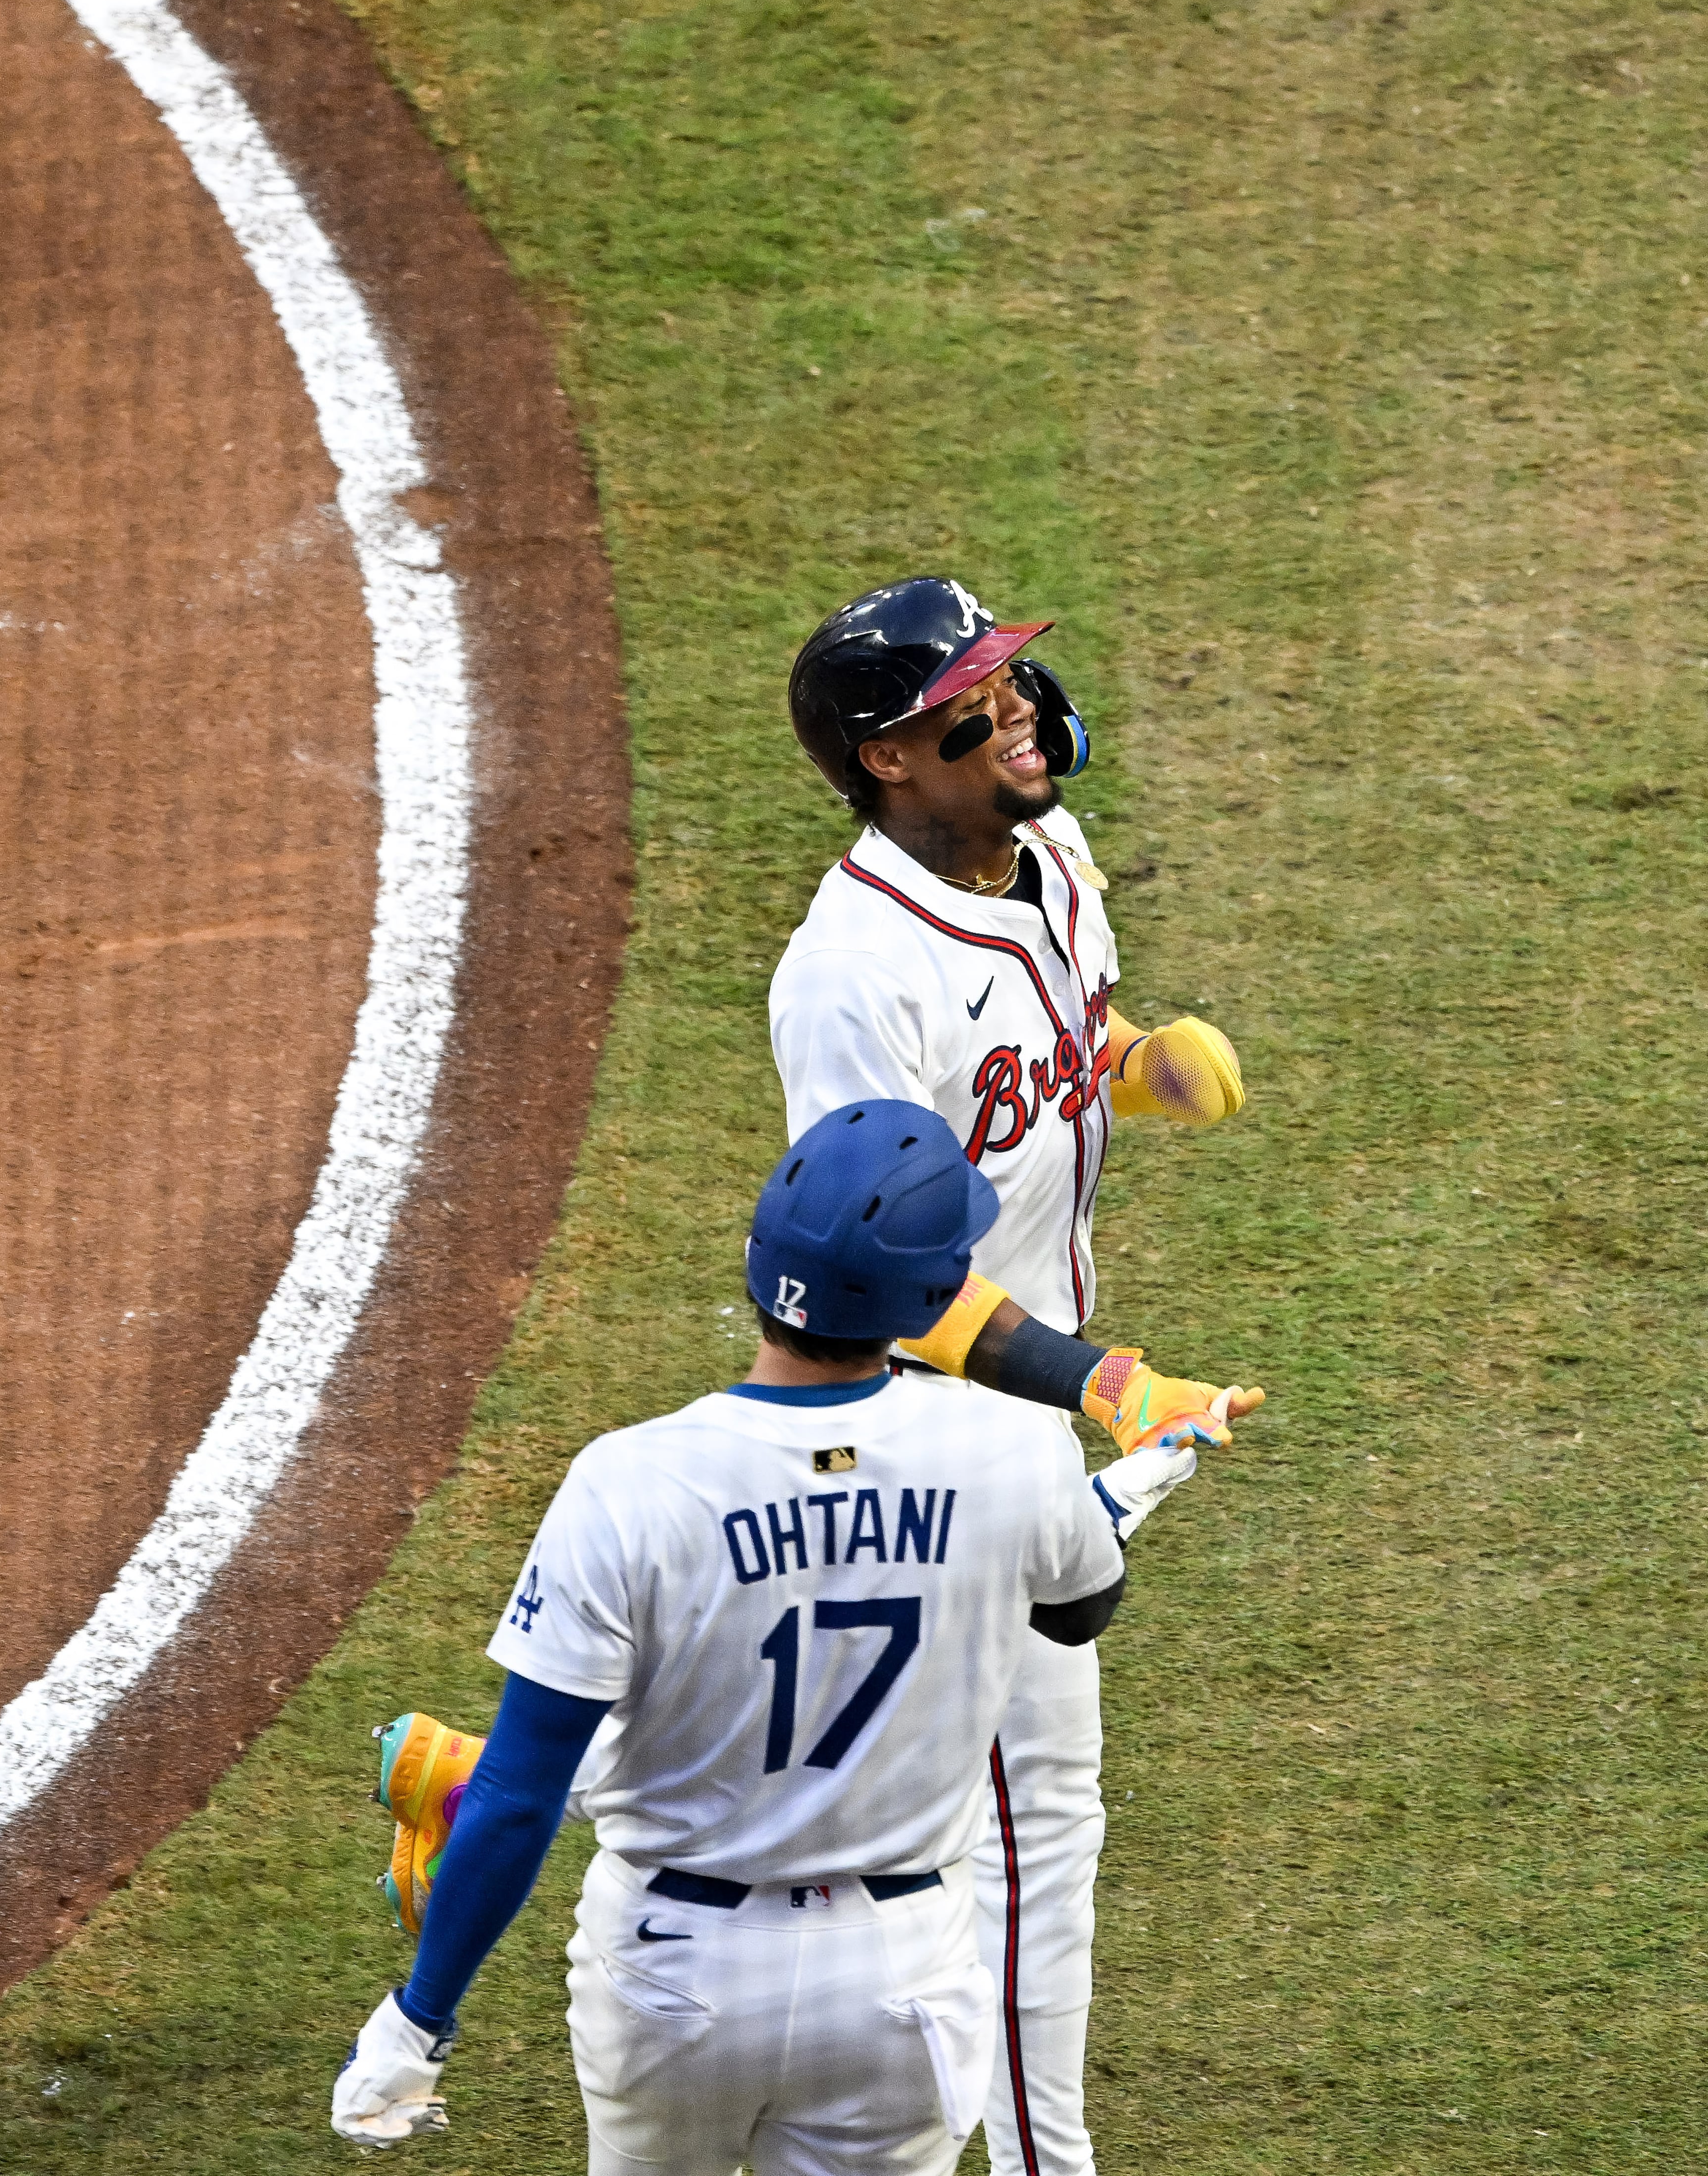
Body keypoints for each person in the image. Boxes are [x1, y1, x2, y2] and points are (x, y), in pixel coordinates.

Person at [331, 1100, 1221, 2168]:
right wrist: (1106, 1501)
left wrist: (419, 2018)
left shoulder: (630, 1480)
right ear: (940, 1296)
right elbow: (1077, 1610)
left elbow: (518, 1793)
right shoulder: (1007, 1455)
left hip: (675, 1975)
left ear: (757, 1265)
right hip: (898, 1979)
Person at [770, 576, 1263, 2176]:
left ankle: (476, 1783)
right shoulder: (851, 975)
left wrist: (1134, 1067)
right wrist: (1105, 1383)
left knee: (860, 1786)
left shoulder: (1044, 856)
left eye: (1020, 680)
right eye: (975, 707)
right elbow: (884, 1279)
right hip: (922, 1431)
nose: (1024, 713)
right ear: (891, 760)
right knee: (1029, 1821)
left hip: (1026, 1402)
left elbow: (1052, 1046)